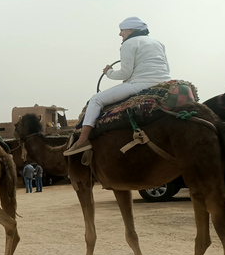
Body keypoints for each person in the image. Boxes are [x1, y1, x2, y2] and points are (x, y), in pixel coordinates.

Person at [64, 16, 171, 156]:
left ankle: (82, 140)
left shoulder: (129, 43)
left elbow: (125, 73)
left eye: (122, 30)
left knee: (96, 100)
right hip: (163, 83)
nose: (120, 34)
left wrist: (108, 72)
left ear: (131, 29)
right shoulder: (158, 43)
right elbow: (167, 69)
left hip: (140, 84)